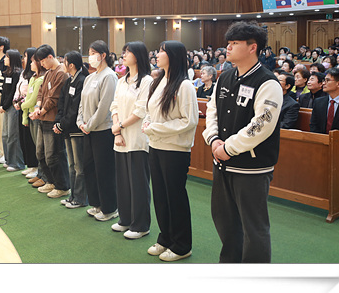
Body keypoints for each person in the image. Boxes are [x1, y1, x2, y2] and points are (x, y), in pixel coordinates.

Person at [203, 22, 283, 263]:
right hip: (222, 163)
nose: (227, 47)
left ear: (252, 47)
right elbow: (212, 110)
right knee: (224, 221)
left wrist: (228, 148)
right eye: (228, 43)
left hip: (251, 168)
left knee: (254, 228)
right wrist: (213, 139)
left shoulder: (267, 82)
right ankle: (229, 265)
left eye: (235, 43)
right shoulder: (225, 76)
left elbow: (262, 125)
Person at [142, 40, 198, 262]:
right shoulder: (159, 81)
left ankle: (182, 245)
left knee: (175, 197)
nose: (157, 54)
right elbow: (150, 111)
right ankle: (165, 238)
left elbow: (188, 121)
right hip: (156, 146)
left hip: (175, 149)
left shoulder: (184, 86)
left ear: (173, 56)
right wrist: (148, 123)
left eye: (162, 51)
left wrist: (155, 127)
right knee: (161, 197)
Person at [109, 41, 153, 239]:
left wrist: (120, 126)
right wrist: (117, 131)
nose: (123, 55)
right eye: (123, 51)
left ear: (138, 55)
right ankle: (125, 219)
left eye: (128, 52)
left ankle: (141, 225)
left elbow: (141, 111)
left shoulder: (147, 81)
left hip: (137, 139)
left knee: (138, 183)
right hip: (120, 137)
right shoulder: (121, 80)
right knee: (123, 182)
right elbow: (114, 106)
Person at [77, 40, 119, 220]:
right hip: (88, 129)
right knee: (89, 167)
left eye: (93, 53)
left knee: (104, 170)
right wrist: (80, 121)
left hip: (102, 131)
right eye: (89, 52)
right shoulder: (89, 77)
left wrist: (89, 125)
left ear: (103, 55)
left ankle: (110, 208)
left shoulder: (109, 76)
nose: (90, 56)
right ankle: (96, 203)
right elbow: (81, 103)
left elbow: (105, 107)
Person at [29, 44, 70, 199]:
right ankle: (51, 181)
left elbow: (54, 97)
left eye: (42, 61)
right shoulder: (48, 73)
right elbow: (41, 92)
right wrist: (38, 107)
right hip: (43, 118)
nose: (41, 64)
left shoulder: (61, 73)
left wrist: (41, 111)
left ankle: (62, 186)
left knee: (54, 155)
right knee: (40, 153)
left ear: (50, 57)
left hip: (53, 119)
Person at [54, 51, 89, 209]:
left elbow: (75, 109)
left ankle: (80, 198)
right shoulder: (69, 81)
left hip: (77, 129)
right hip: (67, 128)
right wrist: (58, 122)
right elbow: (61, 104)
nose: (63, 64)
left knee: (79, 167)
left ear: (72, 65)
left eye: (65, 62)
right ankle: (73, 196)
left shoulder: (82, 81)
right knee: (72, 165)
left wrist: (62, 124)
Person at [309, 67, 339, 168]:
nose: (323, 83)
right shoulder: (319, 102)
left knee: (338, 163)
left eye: (327, 80)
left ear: (338, 84)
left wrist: (337, 141)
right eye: (324, 80)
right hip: (321, 143)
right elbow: (313, 125)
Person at [21, 53, 46, 183]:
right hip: (30, 114)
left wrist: (21, 105)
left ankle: (42, 174)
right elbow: (28, 98)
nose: (30, 64)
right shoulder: (33, 77)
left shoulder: (41, 79)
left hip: (36, 115)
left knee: (40, 148)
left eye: (32, 62)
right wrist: (25, 111)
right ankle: (40, 173)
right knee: (36, 146)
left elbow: (33, 100)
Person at [0, 49, 25, 172]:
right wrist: (2, 105)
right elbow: (4, 91)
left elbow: (13, 93)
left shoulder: (17, 73)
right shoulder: (7, 72)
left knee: (13, 135)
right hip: (6, 106)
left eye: (7, 57)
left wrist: (5, 106)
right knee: (5, 134)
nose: (5, 59)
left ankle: (17, 163)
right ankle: (8, 159)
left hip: (13, 107)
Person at [16, 48, 40, 179]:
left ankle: (36, 167)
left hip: (31, 110)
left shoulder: (37, 77)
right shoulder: (25, 74)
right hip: (23, 108)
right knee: (25, 138)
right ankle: (30, 165)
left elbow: (32, 98)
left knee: (33, 141)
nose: (25, 60)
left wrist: (22, 104)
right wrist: (16, 101)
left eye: (27, 57)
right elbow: (18, 89)